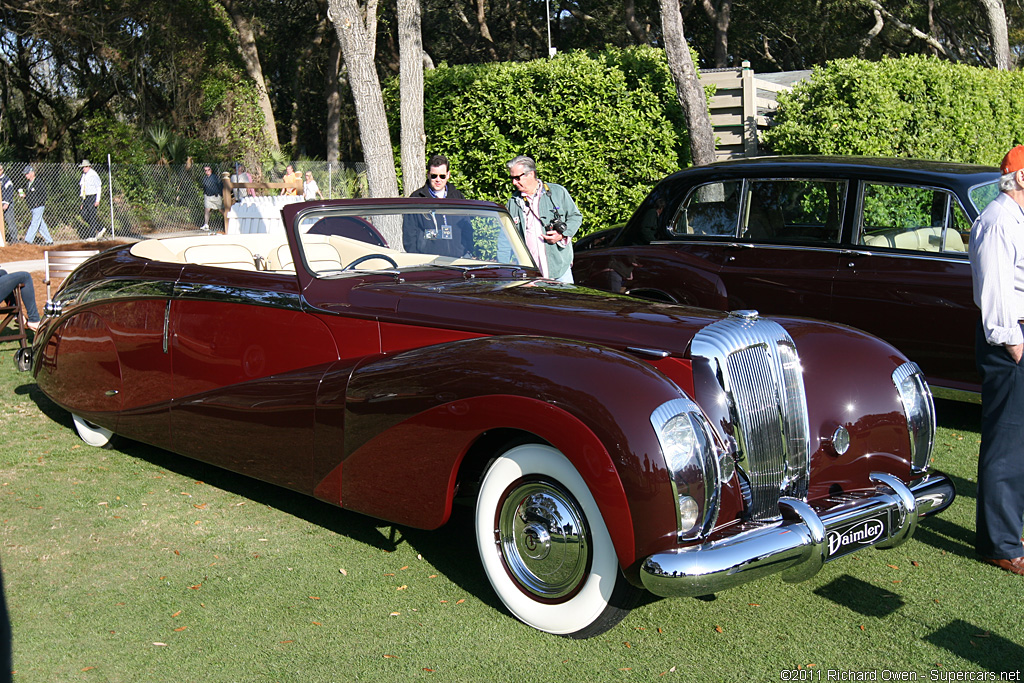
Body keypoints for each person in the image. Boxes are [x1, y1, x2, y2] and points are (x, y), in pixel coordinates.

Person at [968, 143, 1024, 577]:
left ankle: (1013, 529)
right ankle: (999, 544)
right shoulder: (998, 220)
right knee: (1006, 444)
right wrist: (1014, 344)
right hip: (1012, 342)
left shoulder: (1016, 218)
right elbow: (996, 292)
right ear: (1020, 177)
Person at [505, 155, 582, 283]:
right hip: (530, 274)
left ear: (531, 174)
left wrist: (562, 235)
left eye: (517, 178)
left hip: (560, 270)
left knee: (565, 302)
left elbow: (575, 217)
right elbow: (506, 238)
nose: (514, 182)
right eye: (511, 178)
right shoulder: (513, 203)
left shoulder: (557, 192)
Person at [403, 154, 472, 257]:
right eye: (434, 176)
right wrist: (417, 258)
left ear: (448, 175)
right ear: (428, 175)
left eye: (442, 176)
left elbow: (467, 228)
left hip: (456, 260)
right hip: (428, 263)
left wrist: (466, 250)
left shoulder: (458, 197)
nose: (438, 179)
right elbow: (409, 234)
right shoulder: (417, 198)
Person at [22, 166, 53, 245]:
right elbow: (30, 196)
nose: (26, 175)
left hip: (38, 206)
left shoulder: (38, 182)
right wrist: (25, 196)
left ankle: (28, 240)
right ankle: (49, 240)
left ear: (32, 173)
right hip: (32, 206)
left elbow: (44, 194)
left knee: (35, 223)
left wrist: (38, 203)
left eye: (27, 173)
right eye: (25, 174)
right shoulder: (28, 183)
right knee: (40, 224)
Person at [78, 159, 104, 240]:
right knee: (84, 214)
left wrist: (97, 200)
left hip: (93, 196)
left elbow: (98, 187)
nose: (84, 169)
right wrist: (83, 201)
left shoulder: (93, 175)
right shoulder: (84, 175)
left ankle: (92, 236)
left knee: (92, 215)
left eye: (85, 167)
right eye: (83, 167)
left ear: (89, 166)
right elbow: (83, 188)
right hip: (86, 197)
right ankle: (100, 228)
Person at [200, 165, 223, 230]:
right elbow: (204, 187)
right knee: (207, 210)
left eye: (208, 170)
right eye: (205, 170)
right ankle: (206, 224)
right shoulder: (205, 178)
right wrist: (205, 193)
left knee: (220, 210)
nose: (207, 171)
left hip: (215, 196)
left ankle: (228, 221)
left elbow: (220, 186)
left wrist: (220, 194)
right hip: (208, 196)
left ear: (211, 170)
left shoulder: (215, 177)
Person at [0, 165, 15, 245]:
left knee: (10, 222)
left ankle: (14, 240)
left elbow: (10, 192)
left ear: (2, 170)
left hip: (7, 205)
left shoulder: (6, 180)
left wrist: (7, 203)